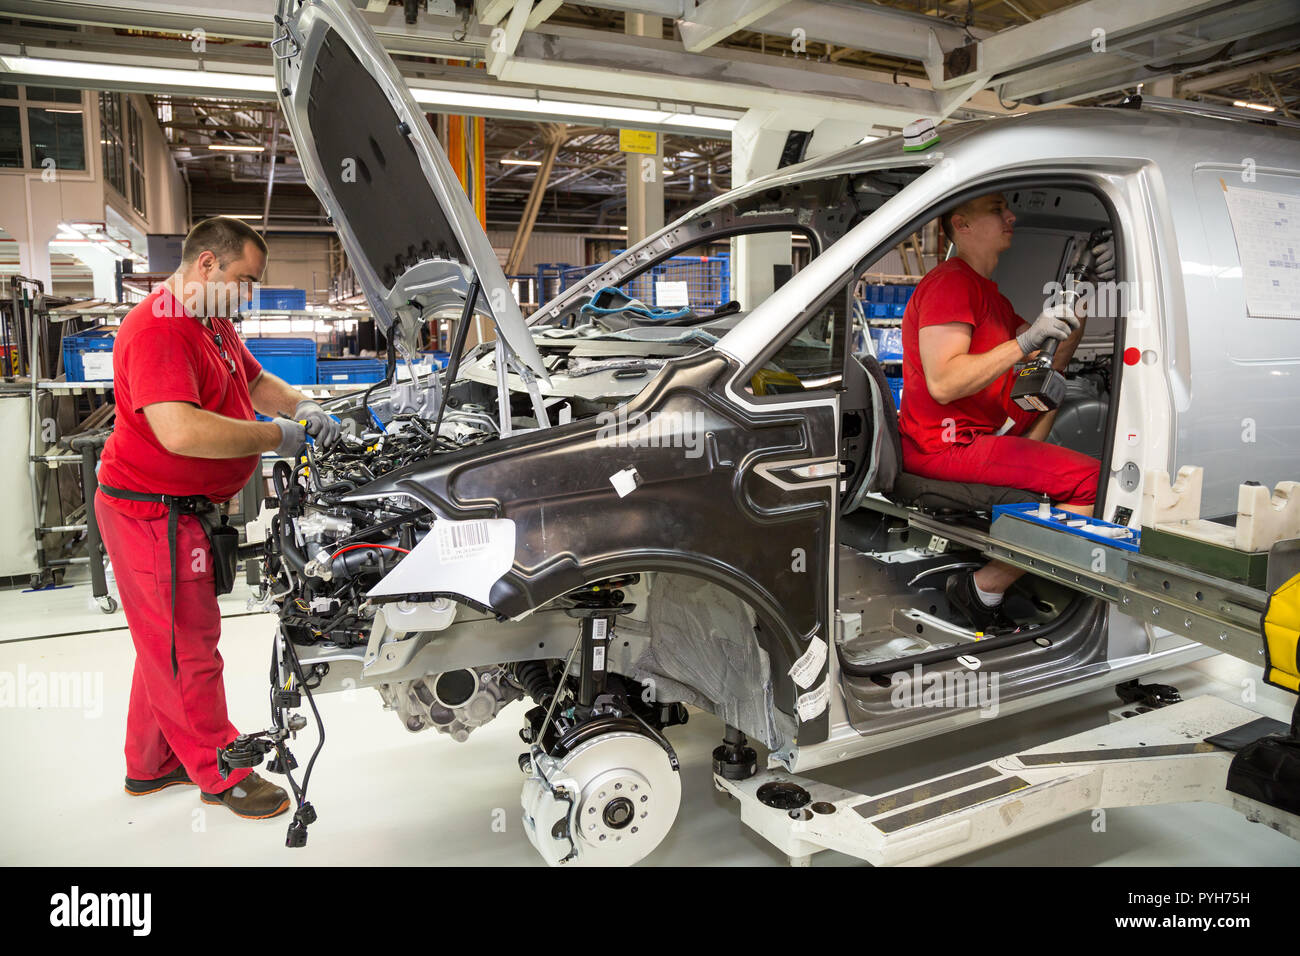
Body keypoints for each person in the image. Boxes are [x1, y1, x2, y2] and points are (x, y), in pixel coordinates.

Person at [94, 216, 340, 819]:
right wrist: (275, 438)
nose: (248, 295)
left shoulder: (209, 319)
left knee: (166, 642)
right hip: (151, 514)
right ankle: (219, 770)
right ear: (207, 265)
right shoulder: (158, 330)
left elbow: (253, 380)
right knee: (188, 648)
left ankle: (151, 765)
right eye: (244, 280)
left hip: (182, 512)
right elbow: (178, 430)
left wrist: (303, 406)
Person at [897, 192, 1114, 630]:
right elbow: (944, 382)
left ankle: (1020, 559)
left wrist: (1080, 288)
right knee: (1097, 481)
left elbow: (1051, 361)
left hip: (981, 438)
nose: (1010, 215)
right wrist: (1025, 341)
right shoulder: (950, 283)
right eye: (997, 209)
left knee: (1060, 427)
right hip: (946, 446)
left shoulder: (988, 294)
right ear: (962, 225)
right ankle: (984, 587)